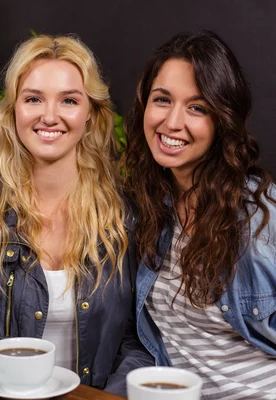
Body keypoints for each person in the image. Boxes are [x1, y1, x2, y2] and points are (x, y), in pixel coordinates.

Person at [0, 35, 153, 396]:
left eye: (69, 101)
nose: (49, 115)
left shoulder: (127, 218)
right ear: (14, 110)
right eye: (33, 99)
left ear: (90, 113)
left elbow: (139, 342)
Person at [124, 30, 276, 399]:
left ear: (222, 120)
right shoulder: (144, 204)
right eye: (162, 100)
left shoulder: (260, 214)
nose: (172, 122)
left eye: (197, 107)